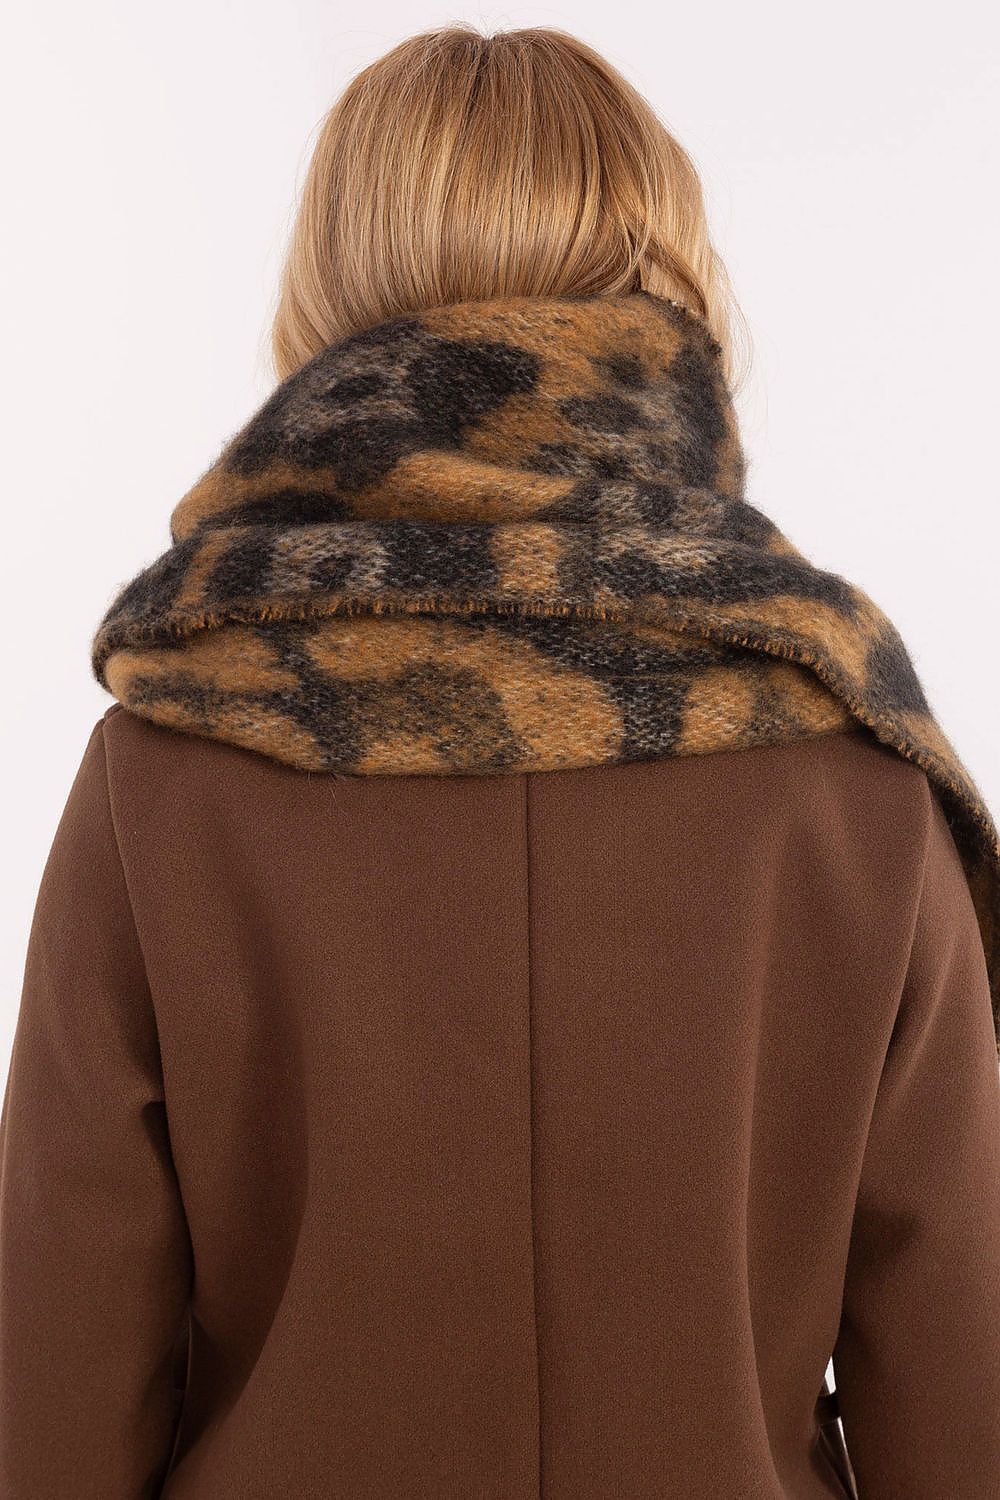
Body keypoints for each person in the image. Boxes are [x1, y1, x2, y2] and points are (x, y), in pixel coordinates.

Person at [2, 25, 998, 1500]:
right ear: (670, 289)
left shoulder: (166, 770)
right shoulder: (855, 780)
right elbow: (958, 1396)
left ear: (330, 294)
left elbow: (59, 1395)